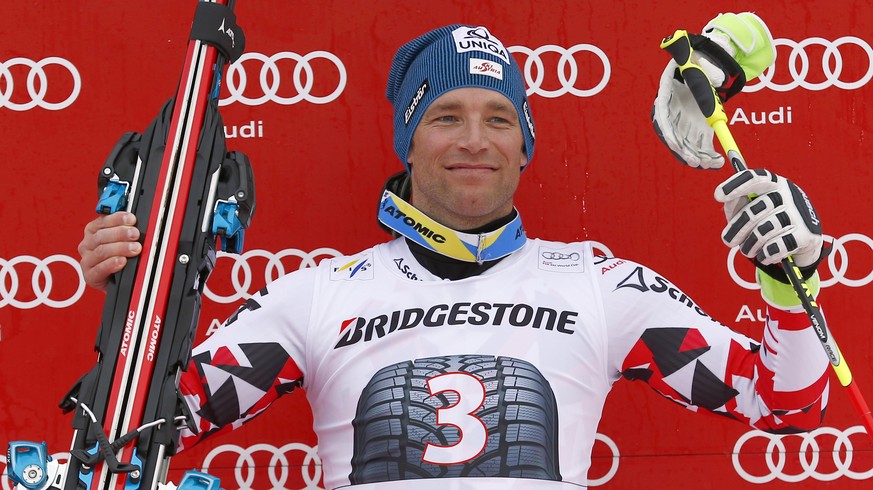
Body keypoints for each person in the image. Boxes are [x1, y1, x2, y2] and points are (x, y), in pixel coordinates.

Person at [78, 14, 831, 490]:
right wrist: (133, 292)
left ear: (524, 145)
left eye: (499, 118)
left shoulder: (599, 284)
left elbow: (784, 404)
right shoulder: (317, 294)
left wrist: (785, 286)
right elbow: (150, 422)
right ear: (409, 140)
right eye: (446, 116)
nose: (474, 140)